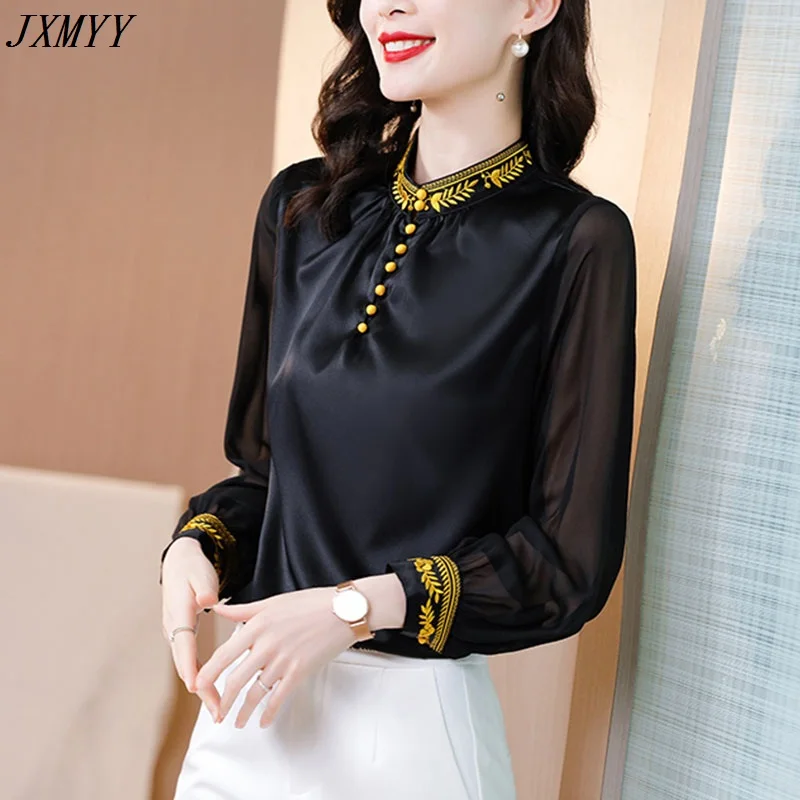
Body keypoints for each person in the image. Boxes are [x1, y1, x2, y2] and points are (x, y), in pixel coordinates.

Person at [158, 0, 637, 797]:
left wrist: (354, 608)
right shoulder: (304, 209)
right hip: (247, 716)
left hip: (411, 734)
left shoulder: (574, 241)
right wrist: (197, 545)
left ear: (531, 7)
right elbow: (271, 481)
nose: (389, 4)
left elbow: (565, 564)